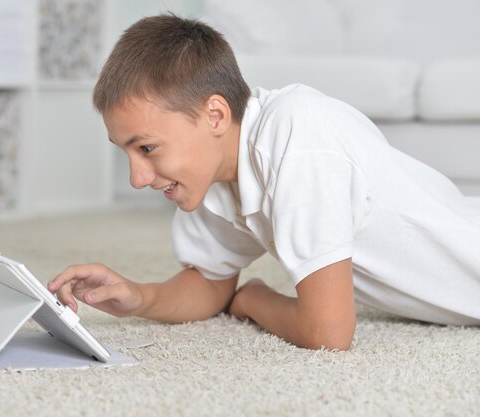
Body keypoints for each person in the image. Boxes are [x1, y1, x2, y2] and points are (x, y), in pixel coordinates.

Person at [48, 14, 480, 350]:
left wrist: (252, 298)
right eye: (124, 152)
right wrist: (138, 296)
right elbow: (208, 286)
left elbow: (328, 333)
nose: (137, 177)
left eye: (145, 149)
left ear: (214, 115)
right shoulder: (213, 174)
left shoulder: (298, 137)